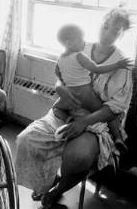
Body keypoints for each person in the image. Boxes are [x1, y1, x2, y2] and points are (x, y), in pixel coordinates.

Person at [15, 7, 133, 209]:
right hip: (65, 110)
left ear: (122, 34)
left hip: (97, 121)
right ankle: (47, 179)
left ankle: (57, 190)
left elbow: (115, 107)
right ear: (101, 23)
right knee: (27, 139)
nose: (108, 33)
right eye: (106, 27)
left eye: (115, 31)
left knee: (77, 157)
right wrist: (60, 89)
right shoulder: (78, 46)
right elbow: (60, 76)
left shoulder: (121, 65)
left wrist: (84, 123)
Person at [53, 24, 131, 153]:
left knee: (58, 107)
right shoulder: (80, 55)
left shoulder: (61, 58)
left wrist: (64, 86)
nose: (83, 41)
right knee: (110, 115)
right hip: (86, 94)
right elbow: (97, 69)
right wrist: (117, 65)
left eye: (115, 30)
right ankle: (118, 137)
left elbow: (58, 74)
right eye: (106, 26)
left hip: (72, 95)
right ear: (69, 43)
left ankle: (63, 117)